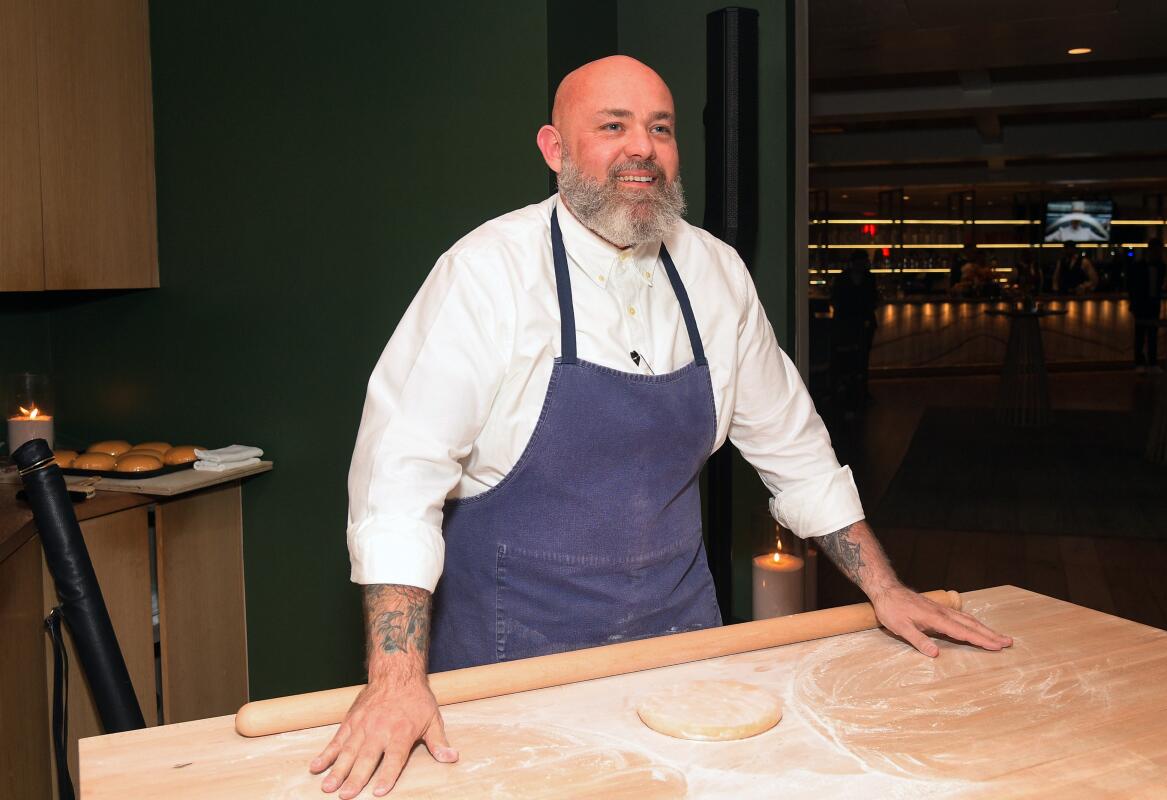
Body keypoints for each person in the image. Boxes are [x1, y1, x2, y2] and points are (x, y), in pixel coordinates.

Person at [314, 56, 1012, 799]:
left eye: (660, 128)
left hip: (685, 657)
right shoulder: (486, 275)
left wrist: (887, 589)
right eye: (612, 126)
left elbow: (796, 450)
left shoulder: (717, 274)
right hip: (511, 664)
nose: (641, 147)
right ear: (555, 151)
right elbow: (398, 483)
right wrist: (393, 682)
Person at [830, 250, 878, 409]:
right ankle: (853, 390)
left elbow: (873, 299)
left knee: (862, 359)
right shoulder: (856, 278)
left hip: (860, 323)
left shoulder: (859, 278)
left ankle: (858, 391)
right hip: (850, 323)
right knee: (852, 358)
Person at [1128, 238, 1167, 371]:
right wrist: (1133, 304)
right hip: (1142, 304)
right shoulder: (1140, 266)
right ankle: (1141, 362)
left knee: (1152, 335)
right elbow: (1132, 287)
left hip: (1153, 304)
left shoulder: (1160, 266)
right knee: (1141, 335)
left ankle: (1151, 362)